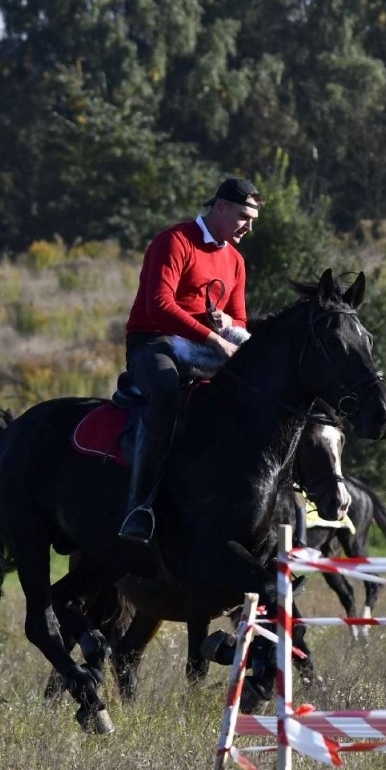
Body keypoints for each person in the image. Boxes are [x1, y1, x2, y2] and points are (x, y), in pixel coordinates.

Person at [117, 176, 260, 543]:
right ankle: (140, 507)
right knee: (166, 395)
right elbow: (160, 307)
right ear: (221, 207)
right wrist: (215, 339)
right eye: (244, 216)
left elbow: (240, 319)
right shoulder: (174, 241)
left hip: (206, 347)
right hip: (153, 344)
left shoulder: (236, 261)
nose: (249, 227)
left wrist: (227, 324)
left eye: (253, 220)